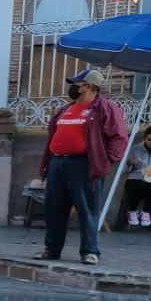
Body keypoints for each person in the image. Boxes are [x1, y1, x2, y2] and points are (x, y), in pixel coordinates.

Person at [34, 68, 128, 265]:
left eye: (76, 84)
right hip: (57, 162)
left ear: (88, 86)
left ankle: (89, 251)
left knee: (87, 210)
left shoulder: (105, 108)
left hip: (84, 164)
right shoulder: (66, 109)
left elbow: (118, 137)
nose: (73, 87)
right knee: (54, 208)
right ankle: (51, 249)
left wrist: (106, 161)